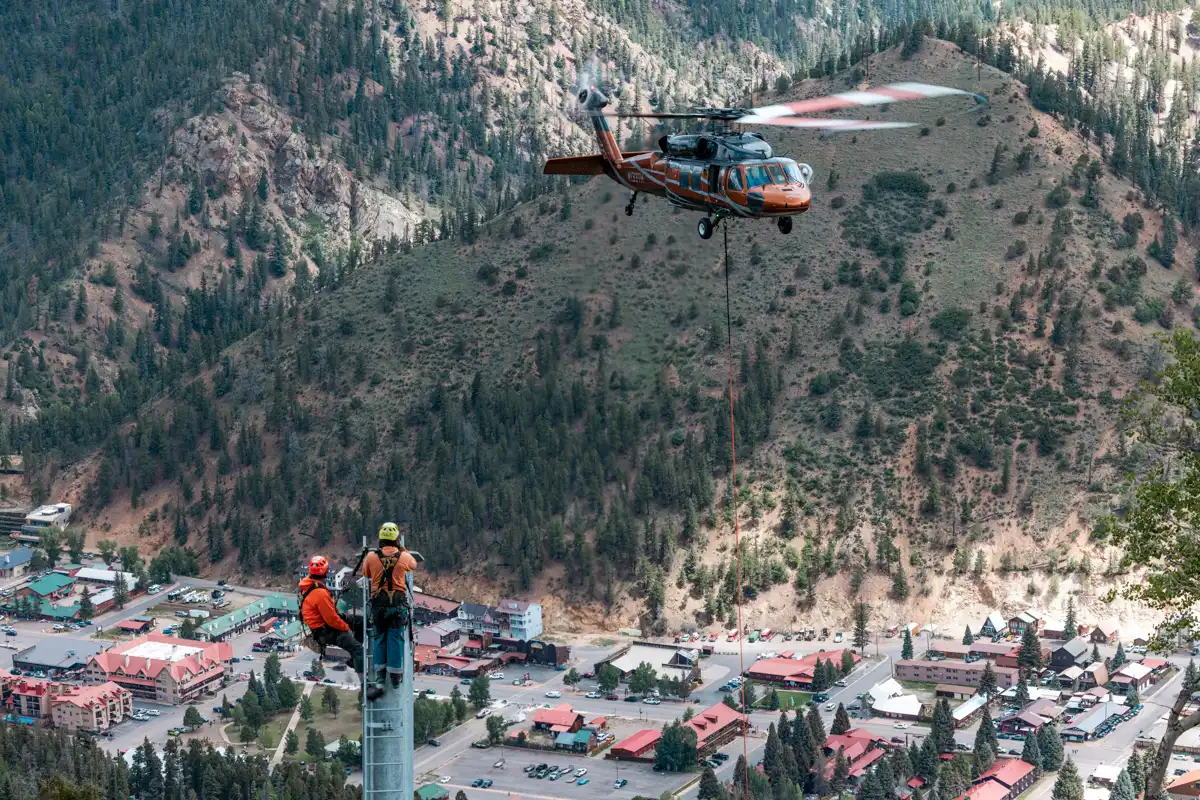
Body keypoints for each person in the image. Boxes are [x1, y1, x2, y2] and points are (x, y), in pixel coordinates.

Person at [300, 555, 384, 701]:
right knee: (358, 649)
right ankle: (366, 687)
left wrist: (343, 620)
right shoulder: (319, 593)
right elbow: (332, 619)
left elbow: (330, 615)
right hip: (327, 630)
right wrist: (346, 628)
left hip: (324, 625)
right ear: (325, 572)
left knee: (362, 622)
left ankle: (353, 660)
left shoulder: (311, 587)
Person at [360, 522, 418, 689]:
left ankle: (379, 676)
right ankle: (395, 677)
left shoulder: (371, 557)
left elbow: (365, 573)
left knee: (379, 638)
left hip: (378, 606)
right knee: (396, 639)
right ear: (396, 540)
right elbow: (413, 565)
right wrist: (402, 549)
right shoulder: (404, 557)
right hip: (397, 605)